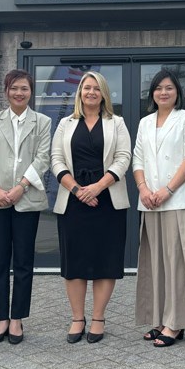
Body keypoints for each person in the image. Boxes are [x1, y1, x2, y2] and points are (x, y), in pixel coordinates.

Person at [51, 71, 131, 344]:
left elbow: (123, 158)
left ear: (104, 93)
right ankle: (77, 318)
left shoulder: (116, 122)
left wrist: (97, 187)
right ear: (80, 92)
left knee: (104, 261)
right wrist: (77, 190)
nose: (91, 92)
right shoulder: (65, 123)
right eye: (87, 88)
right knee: (74, 261)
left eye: (97, 88)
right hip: (73, 200)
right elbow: (56, 160)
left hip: (108, 199)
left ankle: (98, 317)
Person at [0, 69, 52, 345]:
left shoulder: (42, 122)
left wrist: (20, 187)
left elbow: (43, 157)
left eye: (24, 88)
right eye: (14, 88)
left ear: (31, 92)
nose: (19, 93)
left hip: (27, 198)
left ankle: (18, 318)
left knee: (23, 261)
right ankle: (1, 319)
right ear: (6, 91)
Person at [133, 69, 185, 347]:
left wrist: (167, 190)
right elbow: (137, 159)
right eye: (159, 88)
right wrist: (144, 189)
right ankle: (160, 319)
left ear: (177, 93)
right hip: (149, 202)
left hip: (178, 200)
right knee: (155, 263)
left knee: (177, 261)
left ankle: (176, 322)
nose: (164, 92)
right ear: (152, 93)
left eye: (169, 88)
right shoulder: (145, 123)